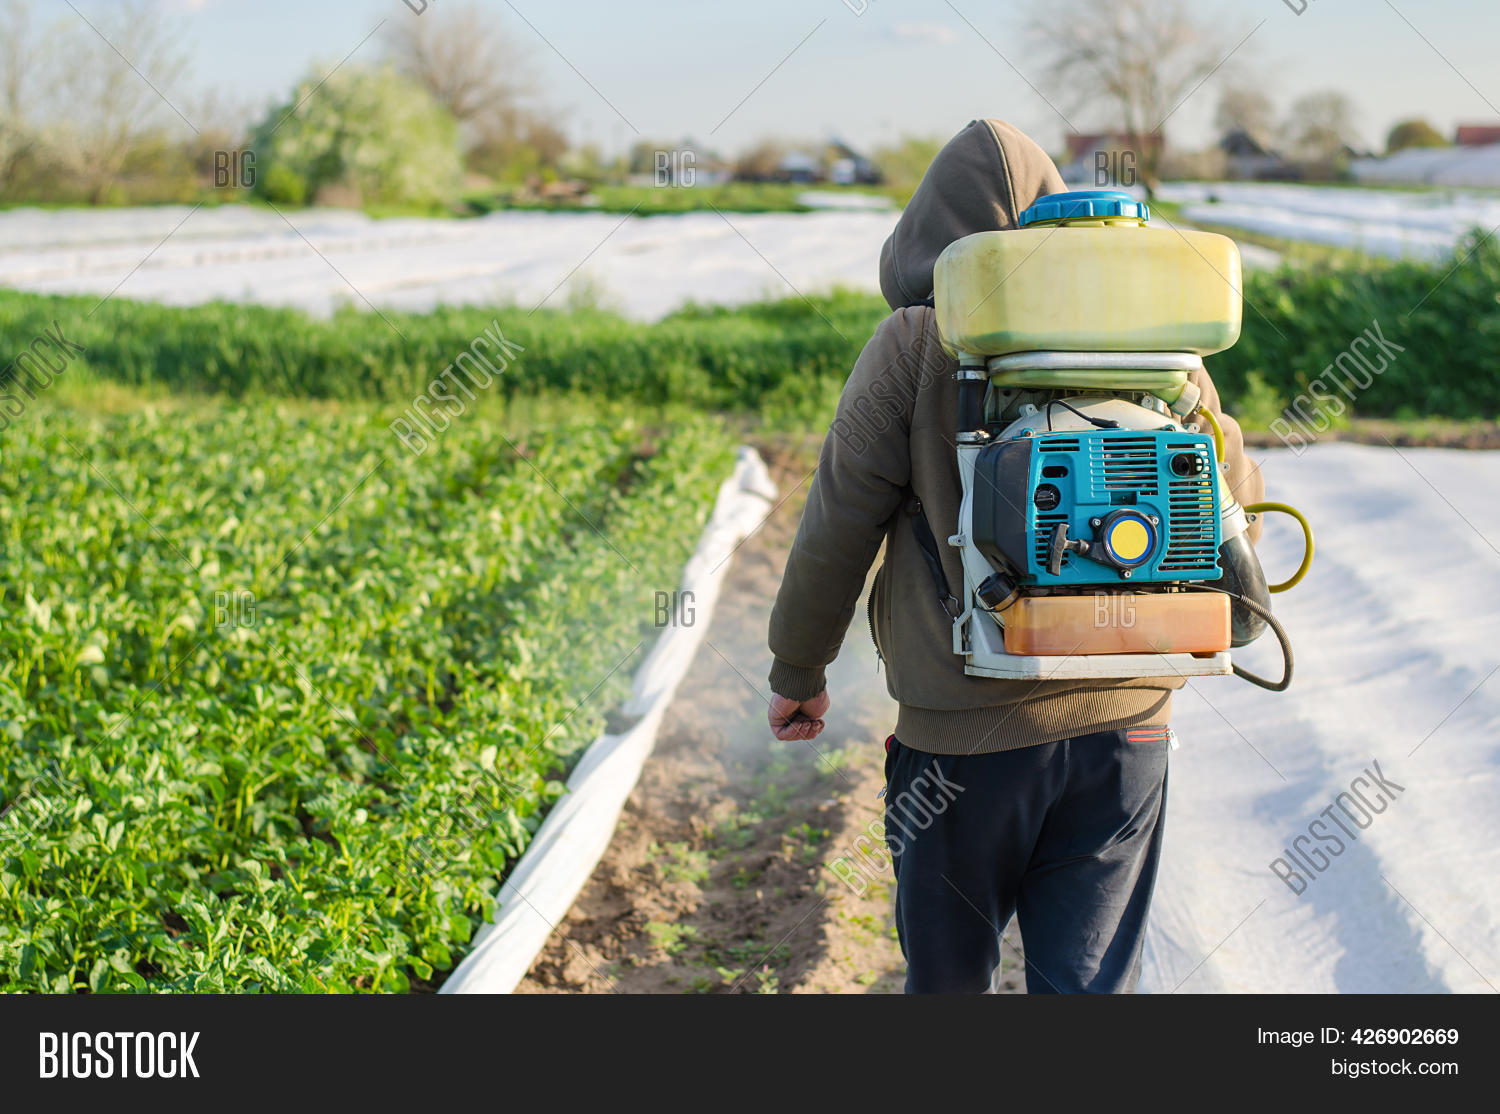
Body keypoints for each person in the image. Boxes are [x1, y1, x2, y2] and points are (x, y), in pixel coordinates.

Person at [765, 119, 1265, 994]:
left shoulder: (916, 344)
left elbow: (837, 522)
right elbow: (1232, 507)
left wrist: (798, 664)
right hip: (1129, 722)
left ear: (926, 235)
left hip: (962, 740)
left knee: (950, 981)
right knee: (1088, 988)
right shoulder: (1158, 344)